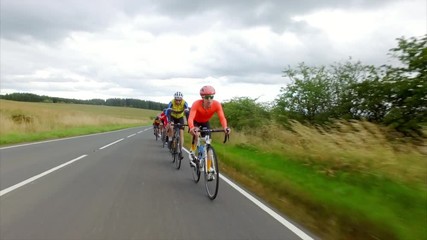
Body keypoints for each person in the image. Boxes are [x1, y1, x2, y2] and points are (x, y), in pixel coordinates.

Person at [187, 85, 230, 168]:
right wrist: (192, 127)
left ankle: (209, 168)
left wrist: (225, 127)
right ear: (202, 98)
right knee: (196, 134)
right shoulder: (196, 104)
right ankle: (192, 151)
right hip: (195, 122)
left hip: (205, 122)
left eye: (211, 97)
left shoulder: (217, 104)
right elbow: (190, 118)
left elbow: (222, 118)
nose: (209, 99)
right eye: (207, 97)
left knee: (208, 142)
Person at [165, 91, 190, 159]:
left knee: (181, 133)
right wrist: (169, 121)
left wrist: (189, 123)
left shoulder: (184, 103)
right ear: (174, 99)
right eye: (177, 100)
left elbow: (187, 113)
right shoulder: (171, 102)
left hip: (180, 118)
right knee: (171, 127)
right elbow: (168, 112)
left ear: (181, 99)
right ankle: (170, 139)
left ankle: (180, 151)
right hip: (172, 117)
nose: (178, 102)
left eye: (179, 100)